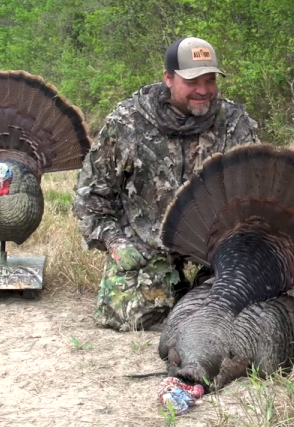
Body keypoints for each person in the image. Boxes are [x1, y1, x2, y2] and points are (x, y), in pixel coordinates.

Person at [73, 36, 259, 332]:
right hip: (148, 246)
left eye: (210, 81)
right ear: (168, 79)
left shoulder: (233, 122)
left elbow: (257, 192)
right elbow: (90, 195)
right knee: (132, 315)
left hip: (216, 246)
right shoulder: (128, 122)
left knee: (241, 310)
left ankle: (202, 290)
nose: (203, 90)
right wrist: (115, 242)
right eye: (193, 81)